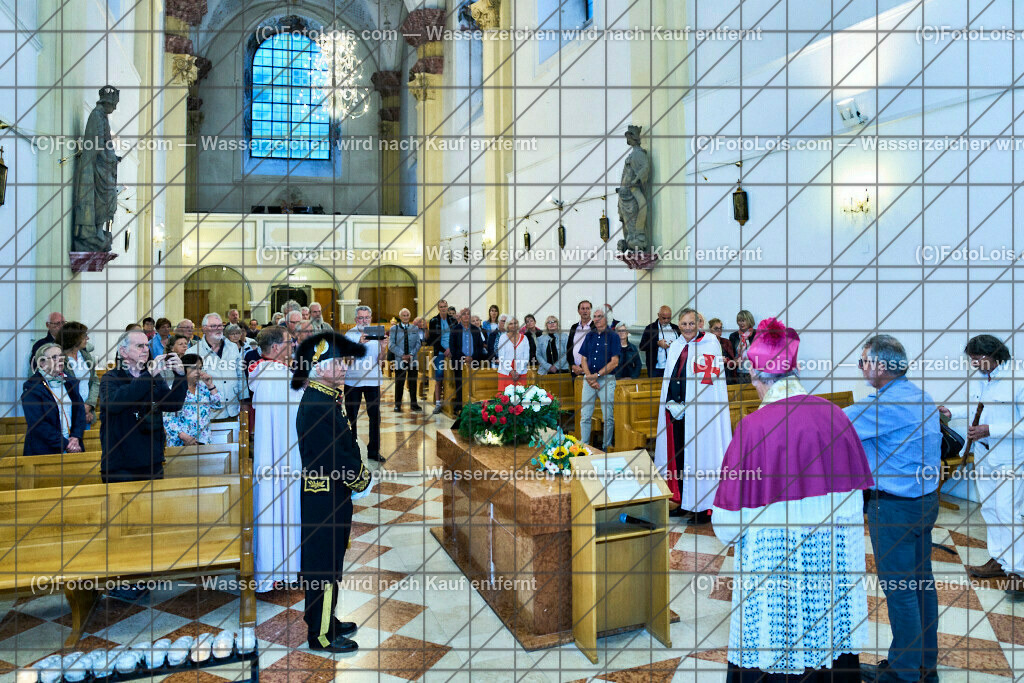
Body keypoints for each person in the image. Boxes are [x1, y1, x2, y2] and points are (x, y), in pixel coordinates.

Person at [712, 317, 873, 682]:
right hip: (829, 563)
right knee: (828, 636)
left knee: (776, 637)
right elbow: (856, 499)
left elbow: (726, 525)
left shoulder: (752, 428)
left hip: (774, 569)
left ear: (759, 378)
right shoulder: (835, 415)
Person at [846, 335, 941, 683]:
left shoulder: (883, 407)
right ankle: (923, 663)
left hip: (894, 508)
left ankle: (903, 673)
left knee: (900, 591)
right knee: (921, 585)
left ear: (881, 367)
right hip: (924, 504)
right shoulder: (920, 396)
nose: (861, 367)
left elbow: (834, 426)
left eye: (863, 361)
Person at [291, 332, 370, 653]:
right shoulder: (317, 405)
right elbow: (333, 457)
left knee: (331, 561)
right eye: (338, 363)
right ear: (319, 368)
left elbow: (343, 444)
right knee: (322, 565)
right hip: (323, 495)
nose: (344, 368)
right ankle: (321, 634)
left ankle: (328, 619)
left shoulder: (325, 398)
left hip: (331, 493)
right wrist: (360, 478)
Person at [939, 335, 1024, 590]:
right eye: (972, 360)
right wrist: (952, 412)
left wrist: (991, 430)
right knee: (990, 510)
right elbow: (978, 406)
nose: (974, 364)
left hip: (1010, 459)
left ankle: (1018, 572)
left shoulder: (1017, 381)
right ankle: (999, 560)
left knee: (1008, 512)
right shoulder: (985, 378)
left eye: (978, 359)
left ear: (995, 355)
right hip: (985, 456)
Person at [653, 308, 731, 522]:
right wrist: (670, 403)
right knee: (678, 457)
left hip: (700, 416)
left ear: (698, 324)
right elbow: (670, 378)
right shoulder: (677, 345)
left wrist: (692, 404)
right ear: (679, 325)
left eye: (691, 323)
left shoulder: (710, 344)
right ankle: (684, 500)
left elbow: (709, 383)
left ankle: (703, 506)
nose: (687, 328)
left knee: (699, 457)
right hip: (676, 414)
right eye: (684, 324)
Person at [248, 325, 304, 591]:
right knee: (282, 506)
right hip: (283, 454)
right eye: (288, 341)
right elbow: (300, 411)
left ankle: (277, 569)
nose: (292, 344)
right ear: (275, 348)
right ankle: (280, 570)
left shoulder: (266, 372)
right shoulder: (277, 376)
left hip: (272, 453)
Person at [99, 331, 187, 482]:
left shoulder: (153, 376)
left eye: (147, 345)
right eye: (140, 346)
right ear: (123, 351)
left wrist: (180, 375)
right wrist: (148, 376)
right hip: (121, 464)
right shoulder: (111, 378)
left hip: (151, 460)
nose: (146, 349)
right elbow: (115, 404)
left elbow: (173, 404)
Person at [22, 344, 87, 455]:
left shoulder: (69, 381)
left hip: (72, 445)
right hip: (44, 449)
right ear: (42, 363)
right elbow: (38, 423)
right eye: (54, 357)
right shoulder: (32, 387)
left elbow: (79, 412)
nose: (60, 359)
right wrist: (65, 444)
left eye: (61, 356)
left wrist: (75, 437)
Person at [344, 306, 386, 462]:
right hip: (353, 380)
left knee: (375, 417)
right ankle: (352, 451)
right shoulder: (350, 334)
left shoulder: (376, 333)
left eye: (367, 317)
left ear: (371, 318)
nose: (364, 321)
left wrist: (383, 348)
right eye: (361, 318)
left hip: (373, 380)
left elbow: (381, 361)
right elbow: (347, 360)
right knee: (351, 417)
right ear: (356, 319)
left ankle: (374, 451)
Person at [188, 313, 245, 420]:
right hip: (208, 413)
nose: (218, 329)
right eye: (213, 326)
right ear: (204, 329)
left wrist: (244, 400)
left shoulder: (233, 347)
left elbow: (240, 374)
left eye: (220, 326)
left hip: (233, 409)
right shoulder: (193, 352)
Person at [578, 308, 620, 451]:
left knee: (608, 416)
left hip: (606, 379)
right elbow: (583, 359)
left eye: (599, 316)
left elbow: (614, 362)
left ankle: (606, 447)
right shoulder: (589, 335)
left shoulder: (613, 336)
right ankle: (584, 446)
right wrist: (590, 377)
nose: (596, 319)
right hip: (589, 379)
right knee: (585, 415)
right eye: (594, 316)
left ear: (606, 319)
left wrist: (597, 376)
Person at [162, 353, 224, 447]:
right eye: (194, 368)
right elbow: (167, 419)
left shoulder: (203, 388)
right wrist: (183, 436)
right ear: (183, 369)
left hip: (204, 441)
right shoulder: (174, 390)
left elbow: (218, 405)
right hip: (181, 442)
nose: (198, 372)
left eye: (200, 368)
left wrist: (210, 386)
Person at [57, 322, 99, 426]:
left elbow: (94, 382)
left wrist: (89, 405)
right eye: (84, 335)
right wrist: (80, 409)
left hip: (86, 414)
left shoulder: (85, 356)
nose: (87, 338)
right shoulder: (60, 359)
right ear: (74, 338)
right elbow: (60, 388)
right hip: (67, 413)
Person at [426, 300, 457, 415]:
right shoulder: (434, 321)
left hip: (452, 353)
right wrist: (445, 351)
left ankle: (453, 401)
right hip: (440, 352)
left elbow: (455, 337)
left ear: (447, 307)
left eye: (445, 306)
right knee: (439, 376)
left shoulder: (453, 320)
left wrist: (452, 350)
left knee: (454, 377)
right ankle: (438, 403)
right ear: (438, 308)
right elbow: (433, 339)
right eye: (441, 307)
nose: (443, 308)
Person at [390, 308, 423, 412]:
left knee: (413, 382)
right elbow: (391, 344)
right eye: (403, 315)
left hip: (413, 359)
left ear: (410, 316)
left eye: (407, 315)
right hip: (400, 360)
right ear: (400, 317)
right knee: (399, 383)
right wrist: (402, 355)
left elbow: (418, 343)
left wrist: (411, 354)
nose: (405, 317)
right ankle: (397, 405)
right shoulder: (394, 329)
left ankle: (414, 404)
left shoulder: (415, 328)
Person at [639, 306, 680, 378]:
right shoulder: (650, 328)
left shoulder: (676, 328)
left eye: (669, 318)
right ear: (658, 315)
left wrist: (675, 344)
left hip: (673, 367)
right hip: (656, 368)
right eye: (664, 318)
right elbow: (642, 346)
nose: (666, 320)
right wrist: (657, 343)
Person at [492, 315, 528, 393]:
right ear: (507, 326)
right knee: (505, 400)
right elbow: (501, 356)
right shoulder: (503, 338)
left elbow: (526, 357)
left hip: (520, 372)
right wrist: (511, 371)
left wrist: (518, 371)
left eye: (515, 323)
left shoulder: (524, 338)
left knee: (520, 397)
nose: (513, 326)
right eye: (510, 324)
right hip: (505, 372)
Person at [729, 309, 757, 383]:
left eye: (743, 320)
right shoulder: (733, 336)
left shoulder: (757, 334)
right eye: (739, 320)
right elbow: (731, 354)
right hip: (739, 372)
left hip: (755, 372)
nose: (741, 323)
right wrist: (734, 360)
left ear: (749, 321)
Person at [567, 300, 593, 378]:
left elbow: (595, 350)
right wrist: (572, 365)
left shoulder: (595, 327)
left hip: (589, 371)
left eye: (587, 308)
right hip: (575, 370)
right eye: (583, 308)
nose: (585, 311)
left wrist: (582, 367)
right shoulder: (574, 327)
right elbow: (569, 348)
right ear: (578, 311)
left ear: (591, 311)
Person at [707, 318, 739, 382]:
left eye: (720, 328)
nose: (719, 330)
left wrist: (726, 360)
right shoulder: (706, 343)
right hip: (713, 375)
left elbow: (733, 361)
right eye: (716, 328)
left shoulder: (726, 342)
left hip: (727, 375)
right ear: (710, 329)